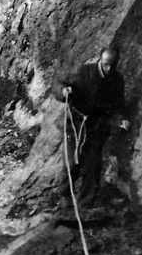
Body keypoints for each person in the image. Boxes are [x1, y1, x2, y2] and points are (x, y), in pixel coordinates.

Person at [55, 47, 130, 205]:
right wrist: (63, 91)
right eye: (105, 64)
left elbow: (119, 104)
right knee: (72, 161)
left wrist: (122, 118)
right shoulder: (83, 72)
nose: (108, 69)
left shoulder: (117, 80)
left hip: (97, 126)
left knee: (92, 165)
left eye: (111, 65)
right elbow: (58, 82)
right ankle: (64, 197)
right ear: (100, 60)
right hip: (75, 123)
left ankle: (86, 203)